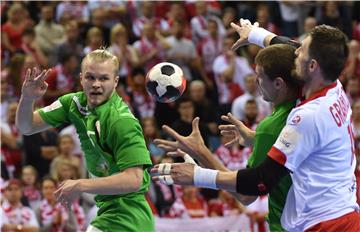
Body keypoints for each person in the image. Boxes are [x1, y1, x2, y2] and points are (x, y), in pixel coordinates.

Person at [152, 24, 360, 231]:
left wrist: (197, 174)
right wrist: (254, 34)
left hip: (326, 224)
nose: (296, 50)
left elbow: (261, 181)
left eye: (301, 50)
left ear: (312, 65)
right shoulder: (334, 87)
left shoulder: (306, 116)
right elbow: (288, 46)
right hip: (345, 213)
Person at [154, 43, 300, 231]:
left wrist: (201, 153)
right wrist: (256, 139)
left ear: (278, 83)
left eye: (259, 77)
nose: (255, 82)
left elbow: (247, 195)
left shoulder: (270, 128)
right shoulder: (307, 102)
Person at [15, 49, 154, 231]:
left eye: (104, 78)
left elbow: (134, 179)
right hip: (108, 213)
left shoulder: (121, 121)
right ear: (81, 79)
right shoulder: (73, 104)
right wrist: (27, 99)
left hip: (128, 218)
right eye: (90, 77)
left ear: (115, 82)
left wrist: (80, 185)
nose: (96, 84)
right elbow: (26, 127)